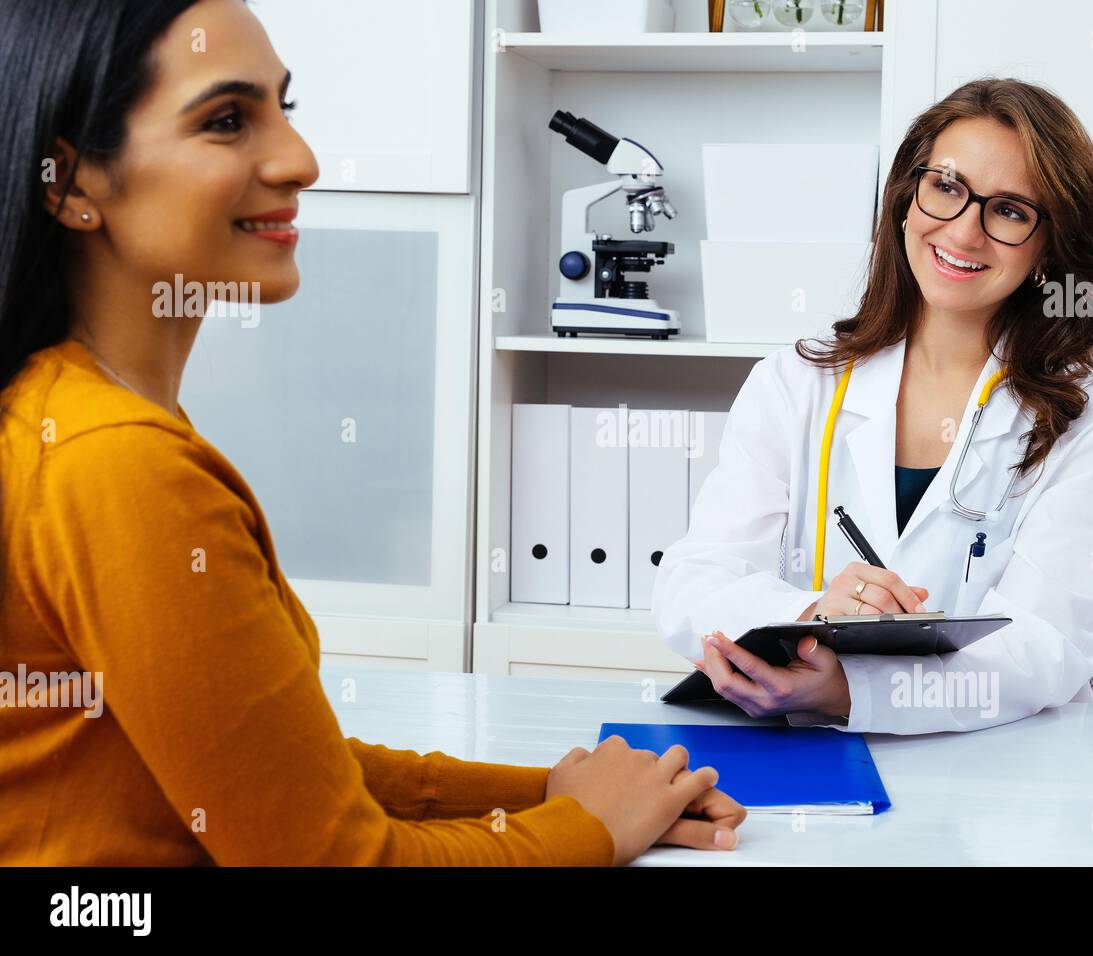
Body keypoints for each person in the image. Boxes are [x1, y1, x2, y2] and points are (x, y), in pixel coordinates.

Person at [0, 0, 744, 865]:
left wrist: (542, 794)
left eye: (286, 110)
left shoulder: (63, 413)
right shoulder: (117, 464)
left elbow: (281, 775)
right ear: (74, 181)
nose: (301, 160)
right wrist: (586, 830)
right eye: (228, 120)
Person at [652, 79, 1093, 734]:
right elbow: (693, 583)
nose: (964, 232)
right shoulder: (795, 383)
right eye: (946, 188)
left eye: (1008, 211)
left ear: (1049, 247)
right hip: (806, 766)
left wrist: (851, 690)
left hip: (1005, 783)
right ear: (905, 199)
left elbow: (1047, 647)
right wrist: (814, 617)